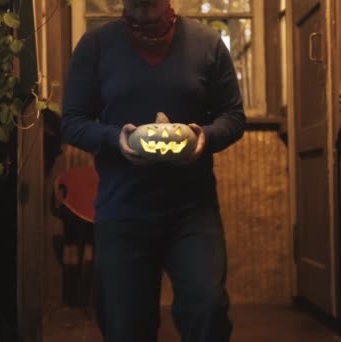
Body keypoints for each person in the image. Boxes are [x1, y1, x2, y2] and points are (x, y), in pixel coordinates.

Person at [61, 0, 245, 341]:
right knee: (125, 325)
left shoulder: (207, 43)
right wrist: (116, 138)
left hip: (192, 211)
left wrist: (204, 136)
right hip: (122, 209)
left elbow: (233, 117)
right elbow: (72, 123)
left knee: (208, 312)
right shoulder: (96, 46)